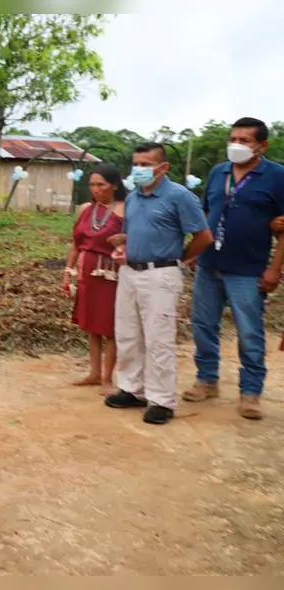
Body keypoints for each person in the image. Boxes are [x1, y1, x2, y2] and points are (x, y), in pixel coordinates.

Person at [184, 117, 284, 421]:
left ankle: (250, 391)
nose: (236, 145)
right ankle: (207, 379)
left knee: (250, 332)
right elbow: (203, 214)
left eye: (244, 140)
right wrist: (192, 253)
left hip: (248, 269)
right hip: (209, 264)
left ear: (262, 145)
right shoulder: (219, 172)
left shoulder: (277, 176)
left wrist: (274, 270)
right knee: (203, 325)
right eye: (233, 139)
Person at [105, 142, 213, 425]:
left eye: (145, 164)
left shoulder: (179, 196)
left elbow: (203, 237)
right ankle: (131, 388)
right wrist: (123, 244)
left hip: (161, 274)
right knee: (128, 334)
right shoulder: (133, 198)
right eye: (136, 164)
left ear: (163, 167)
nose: (138, 169)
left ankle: (161, 400)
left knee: (158, 338)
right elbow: (131, 233)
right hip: (130, 272)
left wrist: (180, 260)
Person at [62, 164, 126, 394]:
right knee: (91, 325)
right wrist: (68, 272)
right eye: (92, 185)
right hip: (87, 273)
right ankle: (94, 373)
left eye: (101, 184)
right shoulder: (86, 209)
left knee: (109, 326)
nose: (96, 189)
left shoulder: (124, 209)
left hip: (110, 273)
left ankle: (108, 378)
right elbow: (76, 244)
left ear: (115, 185)